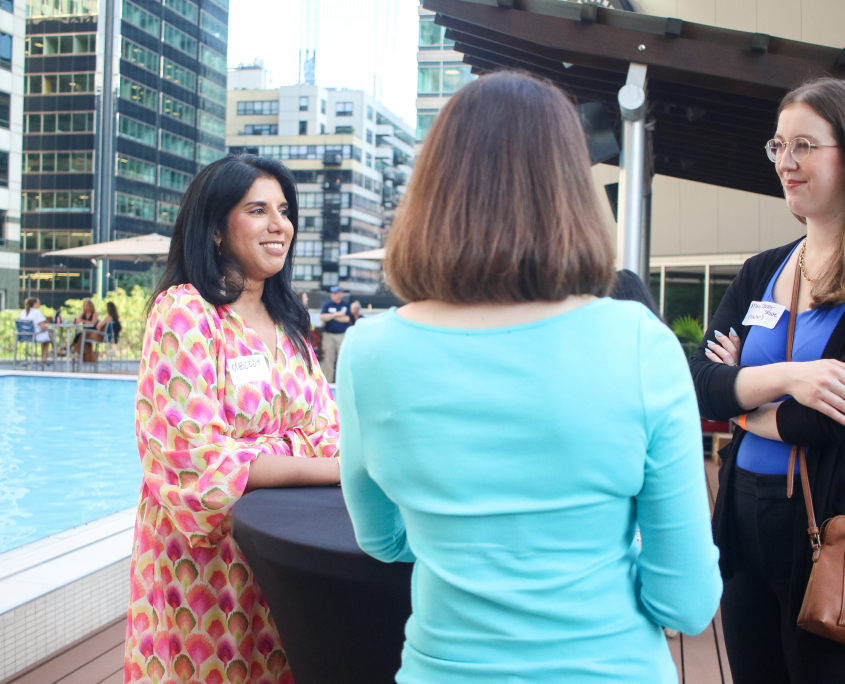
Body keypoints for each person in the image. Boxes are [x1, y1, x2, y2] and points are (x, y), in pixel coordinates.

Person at [337, 71, 721, 684]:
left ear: (433, 189)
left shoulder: (368, 351)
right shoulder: (639, 344)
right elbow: (688, 604)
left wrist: (466, 542)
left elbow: (381, 539)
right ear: (569, 189)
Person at [124, 155, 341, 684]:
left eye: (285, 211)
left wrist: (261, 452)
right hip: (203, 563)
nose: (279, 225)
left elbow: (330, 431)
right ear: (217, 228)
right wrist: (327, 462)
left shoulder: (289, 320)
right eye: (258, 210)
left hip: (282, 554)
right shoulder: (186, 312)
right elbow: (197, 457)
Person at [693, 77, 845, 683]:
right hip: (743, 519)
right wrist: (789, 376)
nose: (786, 162)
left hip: (823, 530)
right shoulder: (763, 270)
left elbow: (825, 416)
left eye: (805, 145)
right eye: (778, 146)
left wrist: (743, 394)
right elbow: (701, 382)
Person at [319, 286, 350, 383]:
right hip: (329, 335)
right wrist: (337, 315)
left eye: (336, 293)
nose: (333, 295)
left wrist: (331, 317)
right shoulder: (327, 306)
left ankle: (342, 382)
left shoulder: (346, 306)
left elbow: (347, 319)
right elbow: (323, 317)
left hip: (342, 335)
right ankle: (328, 382)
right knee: (328, 359)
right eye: (332, 293)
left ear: (340, 294)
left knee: (342, 359)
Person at [20, 297, 53, 362]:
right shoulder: (37, 312)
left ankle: (47, 354)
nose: (40, 304)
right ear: (35, 304)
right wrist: (48, 329)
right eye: (38, 303)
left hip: (24, 336)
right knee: (50, 333)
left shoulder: (23, 312)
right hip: (35, 336)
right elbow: (43, 327)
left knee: (47, 335)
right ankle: (47, 354)